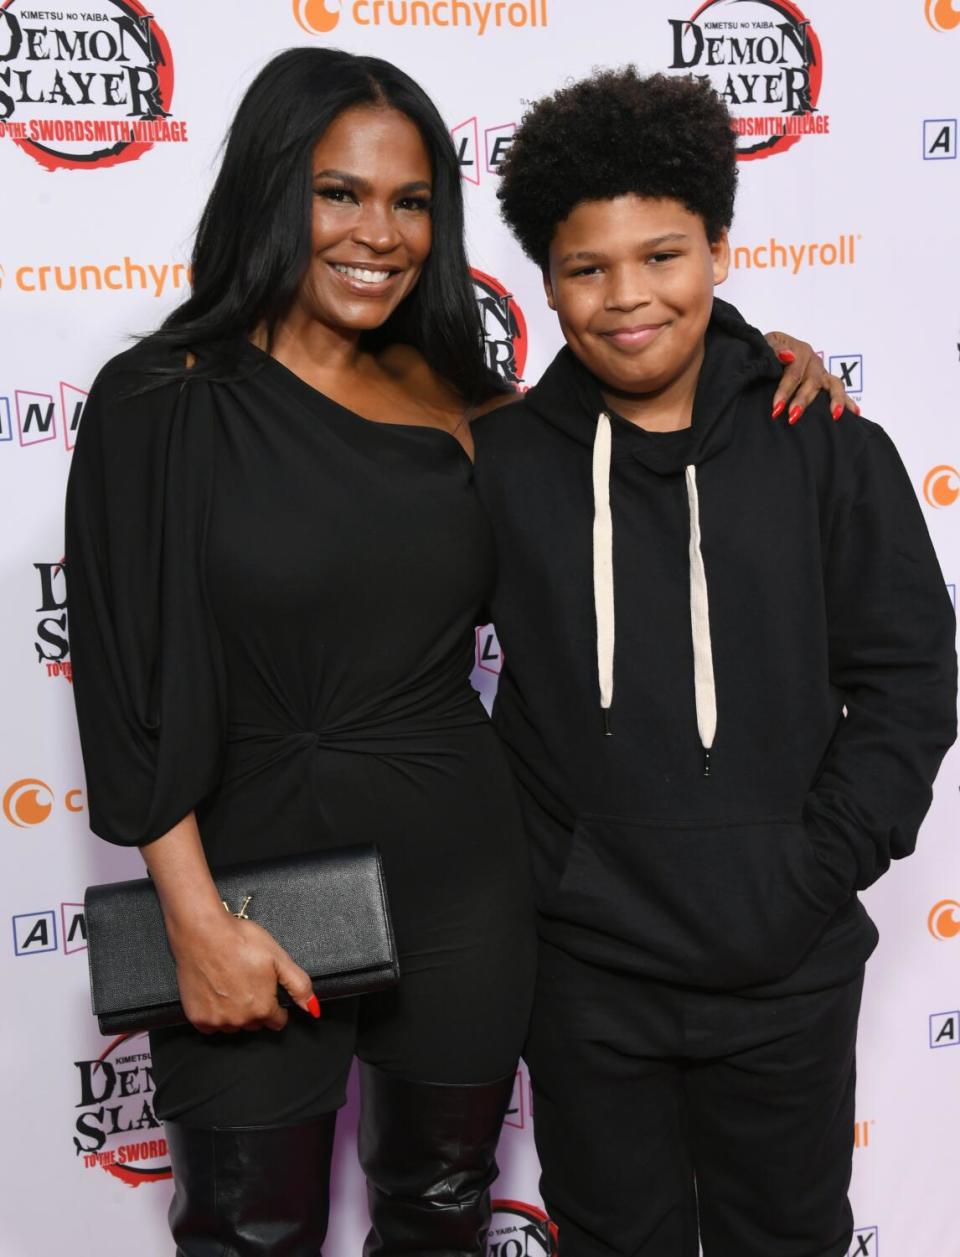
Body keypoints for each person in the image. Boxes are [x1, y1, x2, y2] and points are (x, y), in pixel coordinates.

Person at [66, 46, 852, 1256]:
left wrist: (756, 354)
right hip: (243, 887)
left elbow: (643, 380)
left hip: (464, 884)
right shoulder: (159, 399)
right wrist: (193, 918)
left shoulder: (475, 410)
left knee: (439, 1217)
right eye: (340, 192)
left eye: (413, 199)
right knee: (243, 1231)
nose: (378, 232)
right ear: (272, 190)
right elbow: (125, 681)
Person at [474, 69, 958, 1257]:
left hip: (785, 971)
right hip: (587, 971)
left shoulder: (825, 444)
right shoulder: (499, 464)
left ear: (721, 252)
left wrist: (814, 867)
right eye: (588, 268)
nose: (629, 297)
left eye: (664, 256)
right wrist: (551, 870)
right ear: (545, 280)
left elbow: (911, 676)